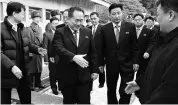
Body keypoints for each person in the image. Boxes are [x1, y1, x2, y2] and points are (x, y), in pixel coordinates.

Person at [125, 0, 178, 104]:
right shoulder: (166, 40)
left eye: (158, 15)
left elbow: (168, 93)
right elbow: (157, 70)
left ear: (171, 15)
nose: (157, 19)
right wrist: (141, 83)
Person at [1, 1, 46, 104]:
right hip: (6, 72)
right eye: (22, 13)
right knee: (4, 100)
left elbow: (27, 44)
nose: (23, 16)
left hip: (23, 71)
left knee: (26, 99)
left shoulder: (21, 27)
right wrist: (11, 66)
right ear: (14, 13)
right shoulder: (1, 29)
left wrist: (37, 49)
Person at [52, 7, 99, 104]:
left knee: (85, 101)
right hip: (67, 76)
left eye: (81, 20)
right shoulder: (60, 32)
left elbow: (93, 52)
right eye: (76, 20)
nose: (79, 23)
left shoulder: (87, 32)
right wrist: (73, 57)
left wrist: (95, 70)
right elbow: (58, 48)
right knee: (69, 101)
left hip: (84, 76)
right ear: (68, 19)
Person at [98, 3, 140, 104]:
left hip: (127, 63)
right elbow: (101, 48)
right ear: (109, 15)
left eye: (118, 13)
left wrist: (135, 62)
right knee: (111, 88)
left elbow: (135, 46)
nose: (116, 16)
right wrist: (100, 63)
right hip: (111, 63)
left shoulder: (130, 26)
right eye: (114, 14)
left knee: (126, 87)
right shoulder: (104, 29)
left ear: (122, 13)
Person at [26, 11, 45, 90]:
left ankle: (38, 82)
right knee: (31, 69)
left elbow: (41, 40)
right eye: (36, 18)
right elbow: (28, 42)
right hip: (33, 51)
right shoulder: (29, 28)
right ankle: (30, 84)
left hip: (39, 50)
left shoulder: (40, 28)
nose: (37, 19)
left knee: (39, 68)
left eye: (39, 18)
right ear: (32, 19)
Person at [133, 13, 155, 78]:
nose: (137, 21)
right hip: (131, 58)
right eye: (136, 20)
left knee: (140, 77)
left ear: (143, 20)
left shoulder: (148, 31)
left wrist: (147, 52)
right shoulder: (130, 30)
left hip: (143, 57)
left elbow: (151, 43)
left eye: (139, 19)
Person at [43, 17, 59, 95]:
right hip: (51, 58)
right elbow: (45, 47)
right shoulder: (46, 34)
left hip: (61, 57)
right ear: (50, 24)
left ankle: (61, 87)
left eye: (57, 23)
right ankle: (54, 88)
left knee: (61, 73)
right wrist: (46, 59)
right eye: (54, 23)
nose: (56, 25)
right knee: (53, 74)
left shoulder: (60, 32)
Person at [88, 12, 105, 88]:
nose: (93, 20)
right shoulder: (87, 29)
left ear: (98, 18)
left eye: (95, 18)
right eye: (91, 19)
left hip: (100, 53)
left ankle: (101, 82)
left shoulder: (103, 29)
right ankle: (90, 84)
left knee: (100, 69)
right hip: (90, 54)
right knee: (90, 69)